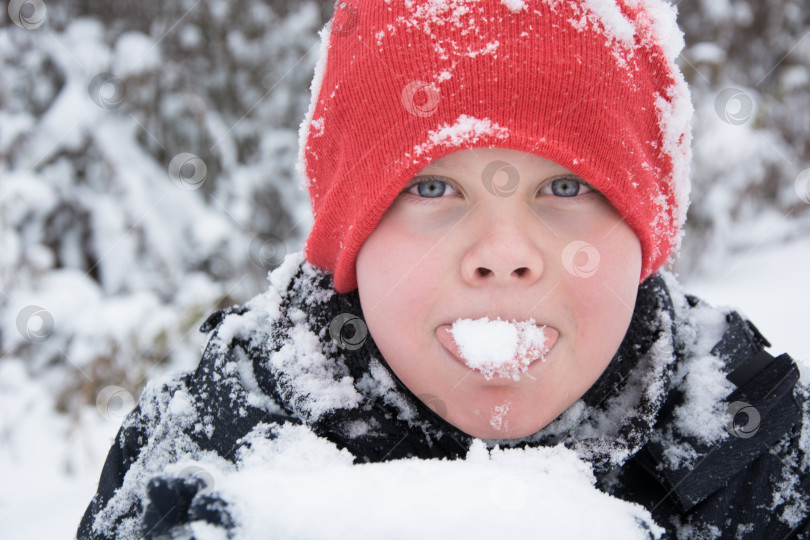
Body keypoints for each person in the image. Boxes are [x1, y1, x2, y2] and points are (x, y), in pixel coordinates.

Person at [78, 1, 810, 538]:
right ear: (350, 237)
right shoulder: (207, 456)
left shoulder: (755, 451)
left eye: (566, 187)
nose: (502, 254)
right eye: (431, 188)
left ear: (644, 234)